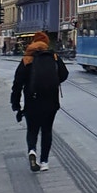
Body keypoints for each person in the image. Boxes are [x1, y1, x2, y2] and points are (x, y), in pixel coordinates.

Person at [11, 33, 68, 172]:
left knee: (32, 129)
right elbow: (64, 74)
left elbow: (17, 83)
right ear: (46, 43)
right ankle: (44, 162)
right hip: (51, 100)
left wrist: (16, 103)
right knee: (47, 130)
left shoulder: (27, 59)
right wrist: (52, 82)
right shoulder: (53, 57)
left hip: (32, 100)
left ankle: (32, 151)